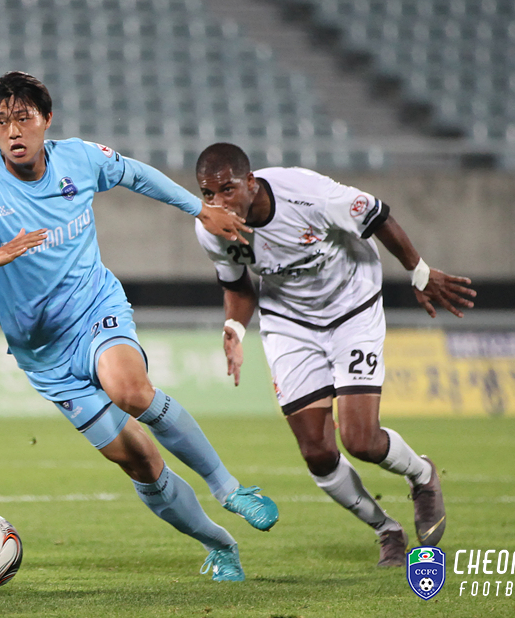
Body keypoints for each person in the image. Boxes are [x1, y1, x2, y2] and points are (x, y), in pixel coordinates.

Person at [0, 72, 279, 581]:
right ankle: (219, 544)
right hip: (43, 355)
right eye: (0, 122)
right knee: (140, 462)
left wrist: (199, 209)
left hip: (94, 308)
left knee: (130, 390)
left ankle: (229, 488)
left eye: (23, 118)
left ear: (46, 119)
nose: (13, 131)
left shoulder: (79, 159)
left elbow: (136, 174)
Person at [193, 143, 476, 567]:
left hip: (352, 309)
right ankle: (387, 530)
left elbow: (378, 215)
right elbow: (237, 285)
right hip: (289, 322)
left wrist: (418, 272)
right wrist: (233, 328)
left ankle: (421, 474)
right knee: (317, 452)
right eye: (207, 194)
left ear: (250, 182)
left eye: (227, 190)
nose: (218, 202)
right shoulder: (210, 228)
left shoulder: (307, 193)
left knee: (361, 440)